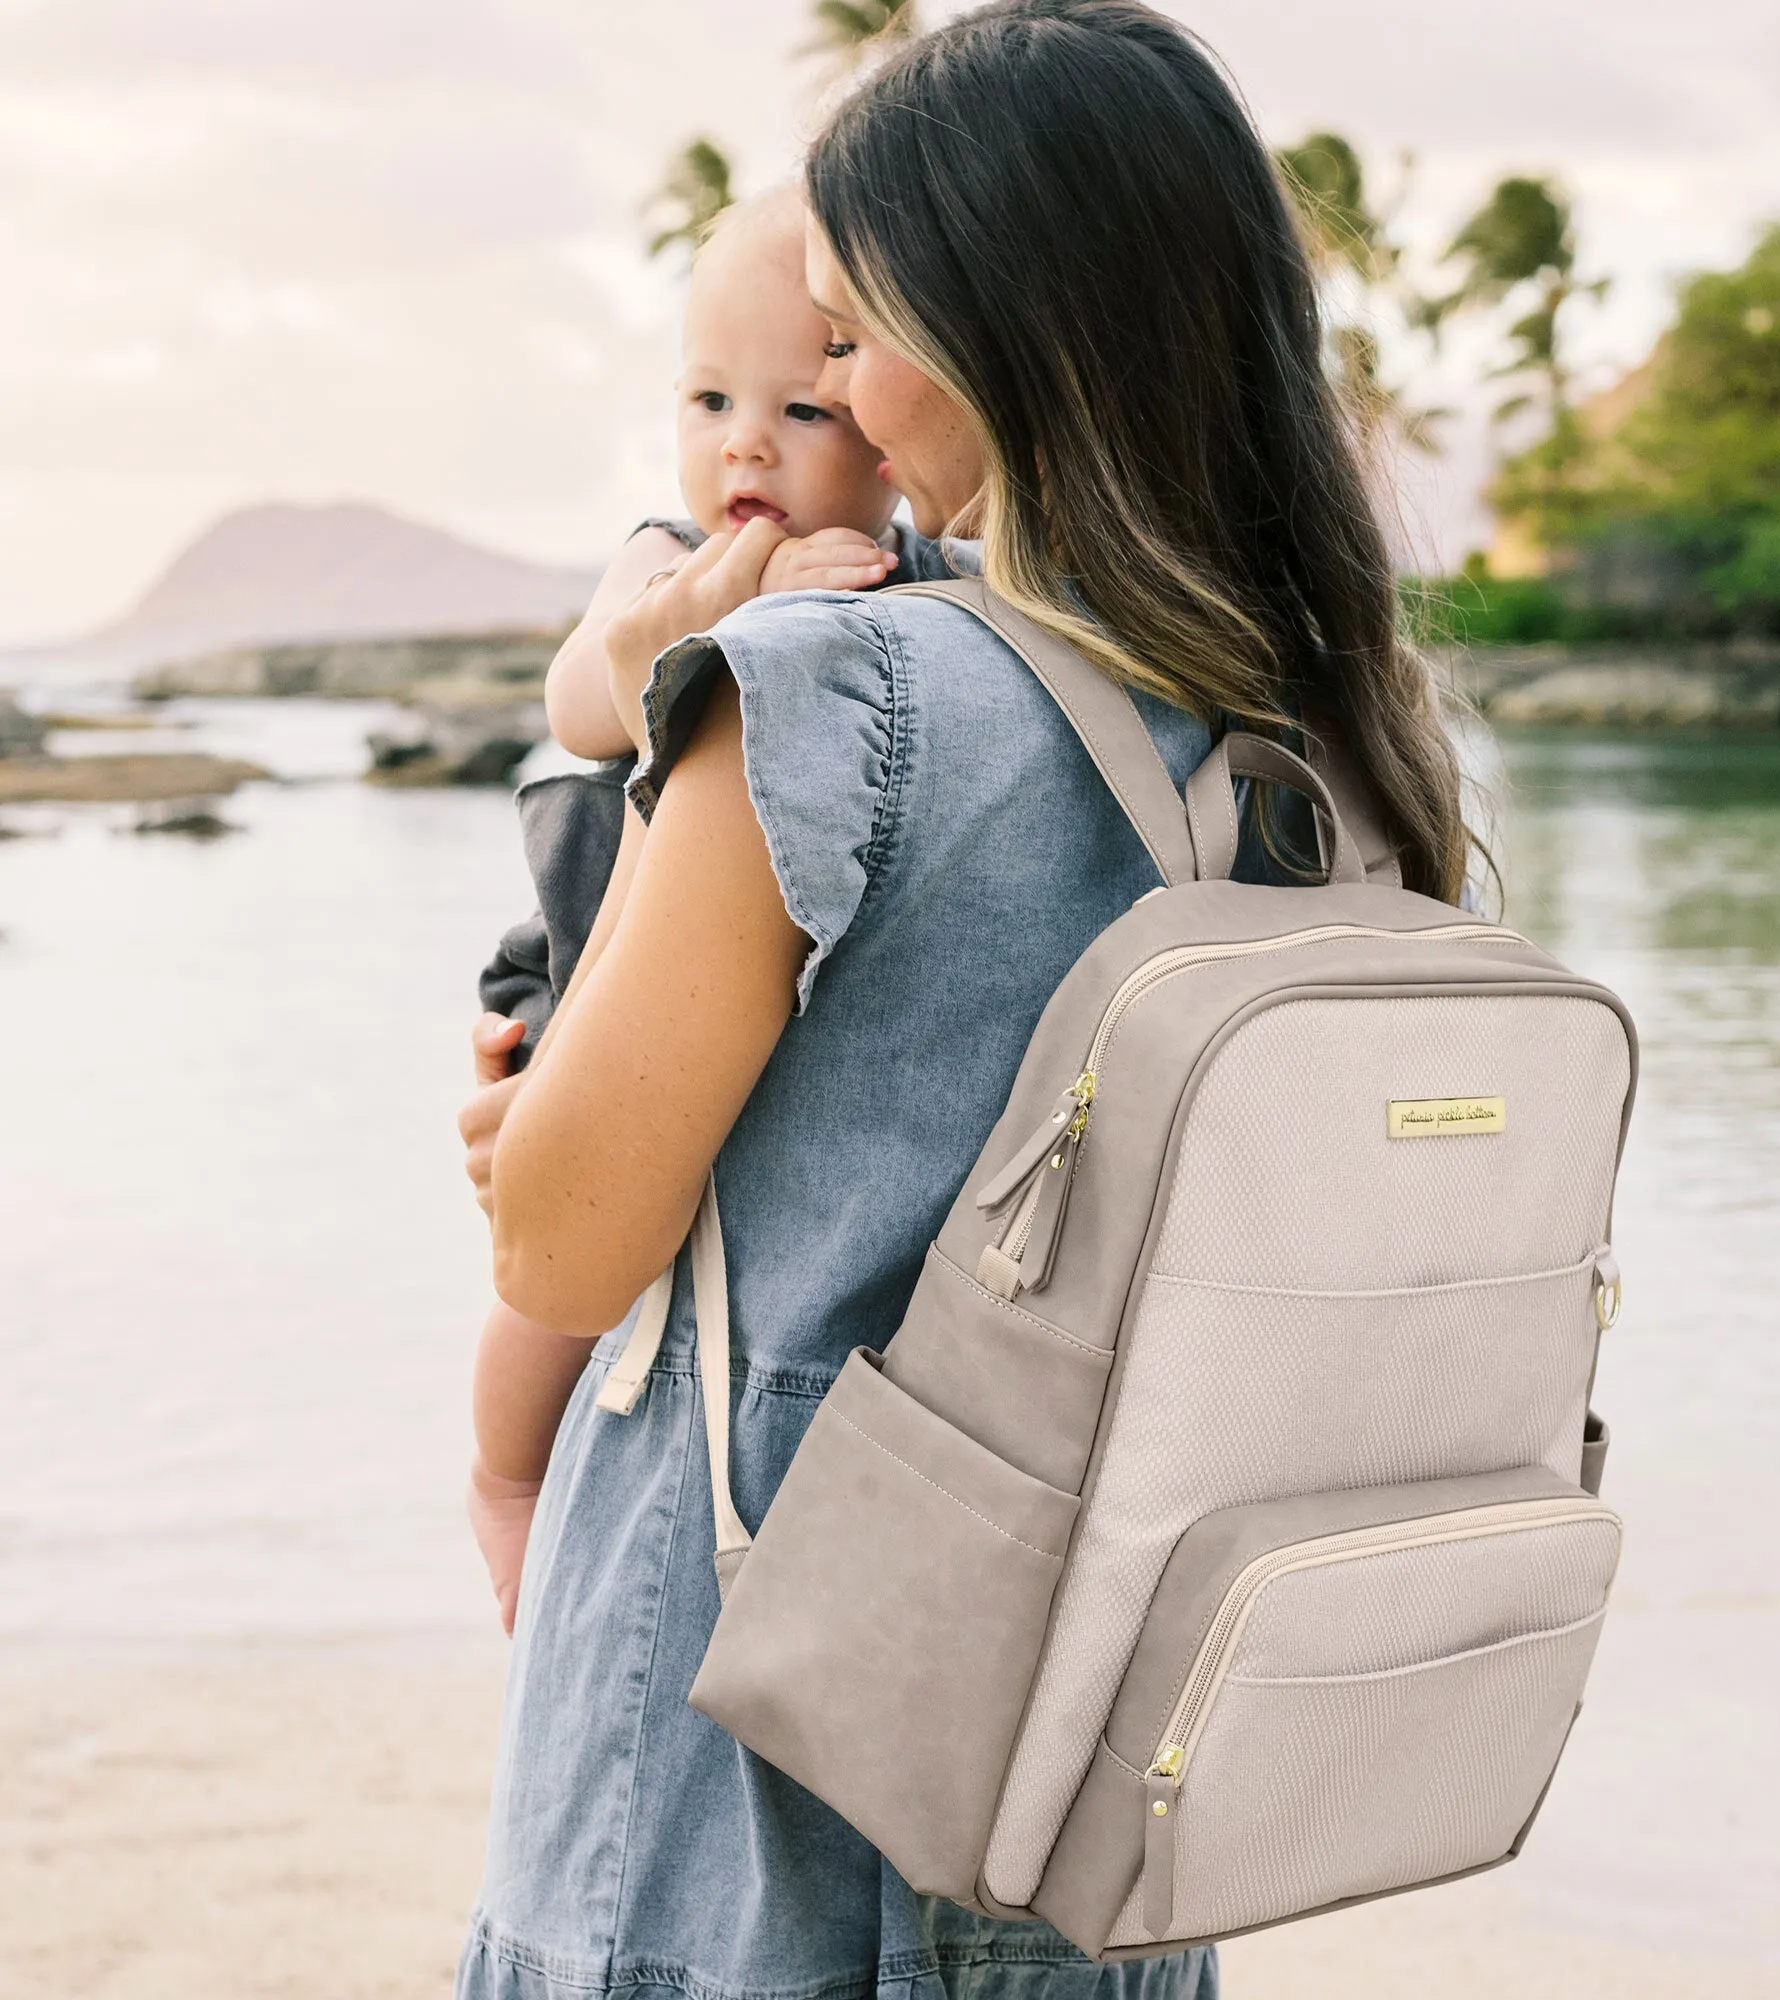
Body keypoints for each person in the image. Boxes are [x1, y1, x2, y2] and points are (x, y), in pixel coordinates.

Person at [455, 3, 1469, 1995]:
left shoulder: (841, 697)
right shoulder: (1329, 745)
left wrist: (536, 1103)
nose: (824, 379)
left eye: (846, 330)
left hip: (735, 1803)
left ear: (971, 327)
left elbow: (566, 1244)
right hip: (1098, 1787)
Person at [463, 188, 958, 1632]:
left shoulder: (921, 579)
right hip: (580, 947)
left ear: (887, 426)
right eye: (708, 396)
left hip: (733, 1007)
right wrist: (697, 626)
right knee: (548, 1286)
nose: (744, 442)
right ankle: (501, 1477)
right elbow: (578, 698)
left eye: (803, 409)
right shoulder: (660, 558)